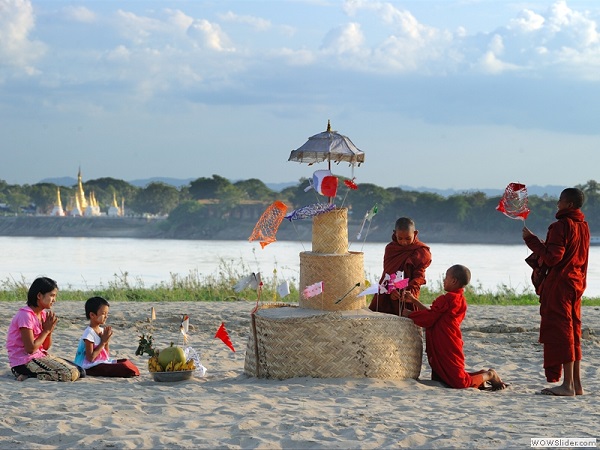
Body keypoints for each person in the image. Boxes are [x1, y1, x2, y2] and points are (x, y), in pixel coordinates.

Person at [522, 187, 590, 396]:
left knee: (562, 333)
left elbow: (553, 258)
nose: (557, 204)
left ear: (569, 204)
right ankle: (576, 384)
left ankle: (567, 385)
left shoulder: (561, 226)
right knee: (573, 331)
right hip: (576, 284)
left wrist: (532, 241)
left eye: (560, 201)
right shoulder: (584, 226)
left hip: (560, 286)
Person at [402, 264, 507, 390]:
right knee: (445, 378)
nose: (443, 280)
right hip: (443, 341)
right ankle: (479, 377)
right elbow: (434, 315)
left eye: (446, 277)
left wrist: (411, 314)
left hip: (448, 343)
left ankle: (489, 375)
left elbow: (430, 317)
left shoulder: (449, 299)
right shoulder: (458, 299)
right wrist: (414, 301)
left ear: (453, 281)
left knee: (460, 383)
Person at [6, 277, 82, 381]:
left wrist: (49, 331)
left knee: (80, 371)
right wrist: (46, 330)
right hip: (24, 361)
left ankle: (32, 374)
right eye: (52, 295)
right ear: (39, 296)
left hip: (39, 356)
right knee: (69, 374)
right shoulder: (25, 315)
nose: (54, 300)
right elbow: (30, 349)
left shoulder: (43, 314)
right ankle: (27, 375)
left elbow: (45, 347)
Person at [369, 217, 432, 315]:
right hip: (387, 293)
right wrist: (391, 289)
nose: (404, 242)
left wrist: (409, 291)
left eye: (408, 238)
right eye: (400, 238)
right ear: (395, 234)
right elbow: (388, 272)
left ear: (415, 234)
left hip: (407, 294)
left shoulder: (421, 251)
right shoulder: (391, 249)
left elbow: (419, 276)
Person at [74, 296, 140, 377]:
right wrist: (103, 342)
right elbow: (90, 358)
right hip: (89, 366)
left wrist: (106, 341)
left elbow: (106, 355)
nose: (106, 316)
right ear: (92, 315)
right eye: (103, 313)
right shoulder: (89, 333)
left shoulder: (101, 330)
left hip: (100, 362)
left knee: (125, 362)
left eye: (107, 314)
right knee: (122, 367)